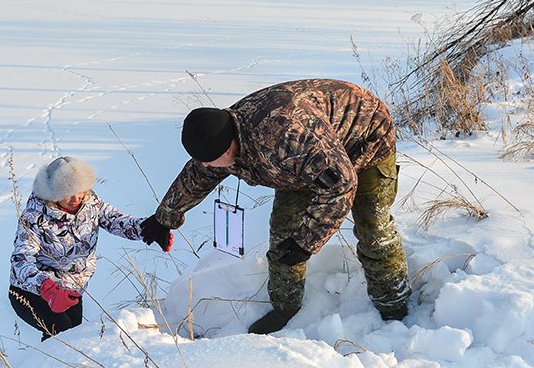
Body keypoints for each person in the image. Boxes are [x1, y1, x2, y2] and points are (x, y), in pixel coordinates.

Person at [141, 78, 411, 335]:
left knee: (373, 227)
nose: (207, 167)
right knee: (284, 232)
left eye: (210, 161)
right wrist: (165, 218)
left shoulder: (286, 138)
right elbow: (198, 175)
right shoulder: (224, 135)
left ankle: (393, 305)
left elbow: (341, 186)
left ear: (226, 151)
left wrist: (306, 243)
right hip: (308, 159)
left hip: (366, 136)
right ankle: (285, 307)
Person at [10, 155, 172, 340]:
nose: (76, 198)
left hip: (70, 289)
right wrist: (48, 290)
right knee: (61, 333)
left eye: (80, 190)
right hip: (31, 292)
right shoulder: (34, 217)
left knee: (72, 338)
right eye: (67, 192)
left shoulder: (90, 203)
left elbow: (116, 221)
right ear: (53, 194)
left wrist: (151, 228)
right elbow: (21, 260)